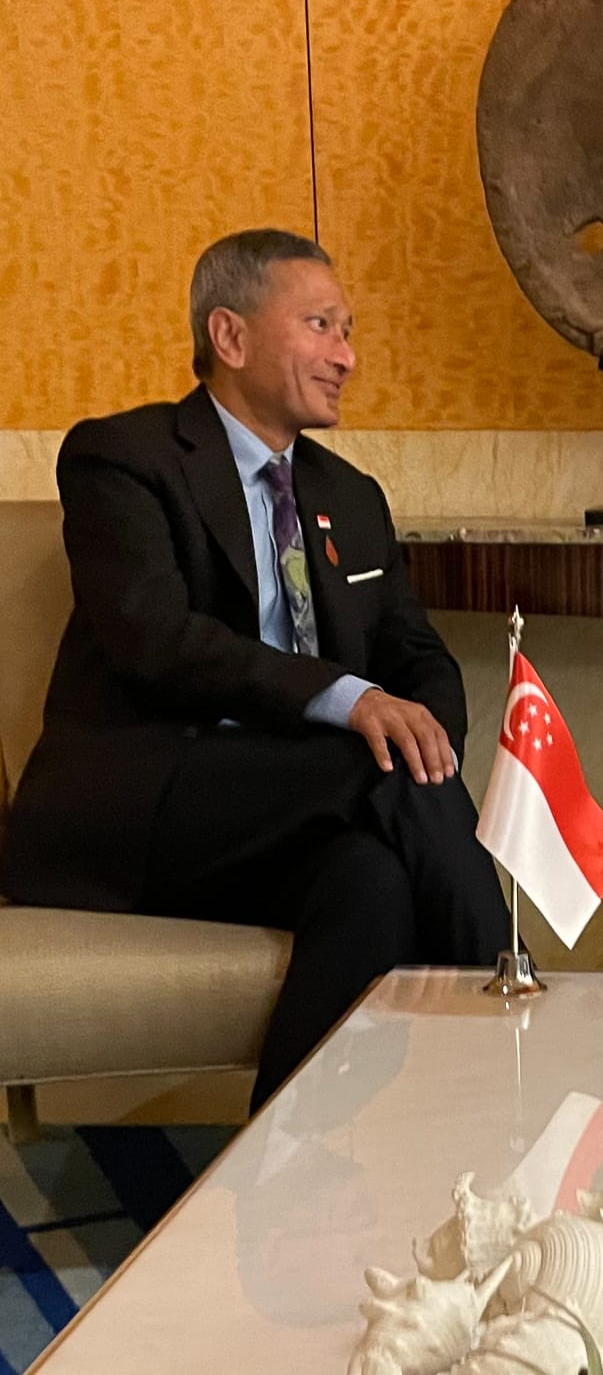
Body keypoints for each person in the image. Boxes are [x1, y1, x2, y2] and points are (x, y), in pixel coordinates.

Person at [0, 229, 511, 1104]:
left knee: (372, 883)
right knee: (371, 764)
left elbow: (417, 655)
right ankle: (508, 1044)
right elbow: (155, 641)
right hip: (151, 804)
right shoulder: (122, 459)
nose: (346, 356)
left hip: (303, 812)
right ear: (229, 338)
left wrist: (425, 744)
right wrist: (353, 708)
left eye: (349, 330)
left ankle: (279, 1185)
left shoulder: (351, 494)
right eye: (320, 325)